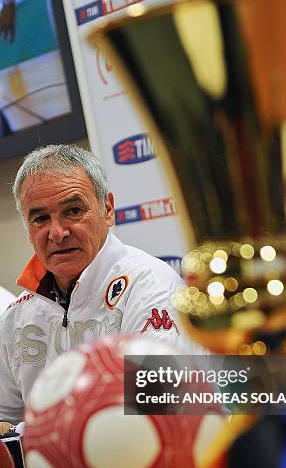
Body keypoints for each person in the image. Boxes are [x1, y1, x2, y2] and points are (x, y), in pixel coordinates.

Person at [0, 144, 203, 431]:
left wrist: (36, 434)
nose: (58, 233)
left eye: (73, 211)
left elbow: (161, 410)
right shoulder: (15, 315)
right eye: (41, 218)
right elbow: (4, 422)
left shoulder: (150, 286)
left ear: (107, 209)